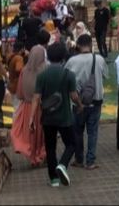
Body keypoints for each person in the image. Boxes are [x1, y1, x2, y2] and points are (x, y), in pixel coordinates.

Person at [30, 42, 83, 187]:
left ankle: (53, 179)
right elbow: (73, 96)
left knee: (50, 147)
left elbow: (36, 98)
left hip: (47, 118)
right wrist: (79, 105)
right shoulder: (69, 75)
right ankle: (63, 164)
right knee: (72, 144)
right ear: (63, 57)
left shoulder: (42, 75)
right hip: (64, 117)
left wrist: (31, 119)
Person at [65, 34, 109, 169]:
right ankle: (90, 161)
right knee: (93, 132)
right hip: (95, 101)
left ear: (77, 45)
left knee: (77, 132)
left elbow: (65, 78)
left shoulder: (72, 61)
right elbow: (106, 75)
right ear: (91, 45)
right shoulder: (99, 59)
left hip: (77, 102)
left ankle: (79, 159)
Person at [11, 44, 48, 167]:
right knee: (42, 134)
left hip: (27, 106)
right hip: (42, 107)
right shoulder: (45, 69)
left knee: (31, 134)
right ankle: (41, 155)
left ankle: (33, 156)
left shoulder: (24, 70)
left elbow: (20, 92)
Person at [7, 41, 27, 110]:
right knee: (18, 107)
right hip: (17, 85)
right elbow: (18, 69)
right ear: (22, 49)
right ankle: (16, 120)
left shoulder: (10, 56)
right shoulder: (19, 58)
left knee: (15, 106)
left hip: (11, 84)